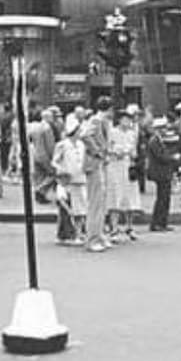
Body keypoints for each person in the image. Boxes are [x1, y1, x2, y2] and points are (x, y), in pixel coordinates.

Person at [81, 96, 113, 253]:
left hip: (99, 164)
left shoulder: (102, 121)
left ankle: (99, 235)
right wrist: (98, 151)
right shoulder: (96, 120)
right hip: (94, 164)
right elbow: (85, 135)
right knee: (95, 203)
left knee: (100, 202)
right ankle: (92, 238)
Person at [106, 110, 142, 241]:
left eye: (129, 120)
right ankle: (114, 229)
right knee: (115, 196)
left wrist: (132, 155)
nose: (127, 122)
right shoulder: (112, 132)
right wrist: (115, 152)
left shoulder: (133, 134)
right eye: (125, 119)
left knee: (130, 197)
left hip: (128, 166)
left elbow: (135, 151)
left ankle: (130, 227)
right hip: (115, 166)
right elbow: (107, 148)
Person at [52, 116, 87, 245]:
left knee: (81, 209)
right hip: (68, 181)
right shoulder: (62, 145)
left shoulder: (81, 145)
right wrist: (62, 171)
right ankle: (69, 234)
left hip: (81, 179)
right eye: (78, 130)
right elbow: (54, 162)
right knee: (69, 209)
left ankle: (79, 233)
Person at [147, 116, 181, 232]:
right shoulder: (154, 141)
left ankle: (162, 222)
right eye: (161, 128)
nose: (164, 130)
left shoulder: (159, 140)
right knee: (162, 199)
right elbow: (161, 156)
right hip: (159, 173)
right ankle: (157, 223)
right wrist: (173, 158)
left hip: (164, 172)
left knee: (165, 198)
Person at [31, 109, 58, 203]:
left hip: (36, 154)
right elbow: (50, 145)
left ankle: (40, 196)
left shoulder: (36, 127)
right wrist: (53, 157)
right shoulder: (47, 128)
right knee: (54, 174)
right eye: (51, 117)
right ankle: (40, 190)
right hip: (45, 155)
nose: (52, 119)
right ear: (48, 117)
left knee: (40, 176)